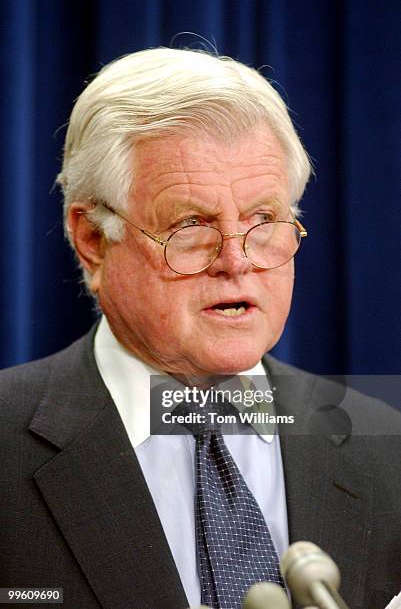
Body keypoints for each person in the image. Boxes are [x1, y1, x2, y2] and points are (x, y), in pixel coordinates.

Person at [0, 48, 400, 609]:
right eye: (191, 225)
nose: (236, 261)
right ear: (93, 238)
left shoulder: (387, 449)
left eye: (263, 220)